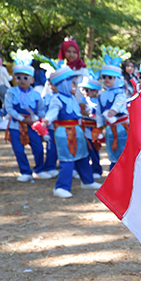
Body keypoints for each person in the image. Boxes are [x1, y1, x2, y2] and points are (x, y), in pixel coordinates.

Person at [41, 65, 101, 198]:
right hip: (65, 132)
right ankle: (61, 186)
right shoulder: (57, 99)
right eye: (71, 82)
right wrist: (46, 121)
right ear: (63, 84)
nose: (74, 85)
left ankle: (87, 180)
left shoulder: (72, 98)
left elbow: (76, 113)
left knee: (83, 157)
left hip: (78, 131)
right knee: (67, 160)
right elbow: (53, 112)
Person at [5, 49, 48, 181]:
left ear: (32, 79)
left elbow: (41, 109)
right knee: (18, 149)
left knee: (38, 147)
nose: (22, 80)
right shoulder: (11, 92)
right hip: (15, 124)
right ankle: (25, 172)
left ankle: (39, 169)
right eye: (19, 77)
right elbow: (9, 108)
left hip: (33, 124)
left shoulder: (36, 94)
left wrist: (37, 118)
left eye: (25, 78)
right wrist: (22, 118)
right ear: (15, 78)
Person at [97, 45, 130, 171]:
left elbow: (120, 102)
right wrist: (99, 127)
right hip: (110, 129)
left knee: (124, 152)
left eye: (110, 77)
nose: (106, 80)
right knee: (112, 151)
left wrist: (114, 110)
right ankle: (114, 174)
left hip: (122, 127)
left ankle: (125, 175)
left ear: (116, 78)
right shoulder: (101, 95)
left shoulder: (120, 93)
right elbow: (99, 112)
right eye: (104, 77)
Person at [79, 69, 104, 179]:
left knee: (94, 150)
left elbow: (100, 116)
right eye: (84, 89)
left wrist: (91, 115)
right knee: (83, 150)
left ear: (95, 91)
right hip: (83, 128)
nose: (85, 92)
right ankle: (83, 169)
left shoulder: (99, 102)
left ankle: (96, 169)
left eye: (88, 89)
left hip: (94, 130)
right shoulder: (81, 100)